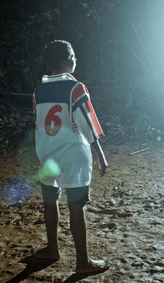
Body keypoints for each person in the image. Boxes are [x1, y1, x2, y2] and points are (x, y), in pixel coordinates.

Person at [32, 40, 109, 274]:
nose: (76, 59)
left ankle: (52, 249)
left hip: (47, 154)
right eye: (73, 56)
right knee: (76, 207)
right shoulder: (75, 88)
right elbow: (87, 124)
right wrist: (100, 155)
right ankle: (82, 263)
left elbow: (39, 125)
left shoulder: (39, 90)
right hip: (73, 156)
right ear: (66, 61)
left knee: (49, 200)